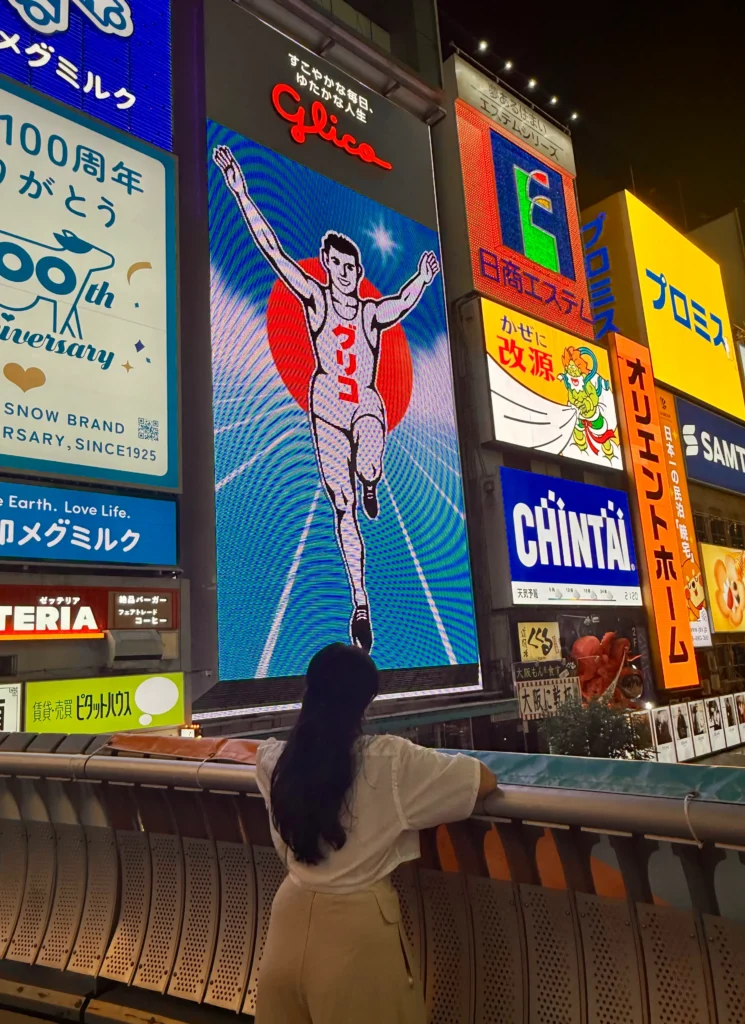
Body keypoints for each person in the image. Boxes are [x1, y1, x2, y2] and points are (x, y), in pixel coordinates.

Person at [214, 145, 441, 653]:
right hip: (326, 411)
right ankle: (360, 601)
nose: (339, 270)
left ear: (356, 272)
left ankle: (372, 477)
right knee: (342, 508)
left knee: (369, 445)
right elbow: (274, 252)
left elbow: (402, 303)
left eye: (346, 264)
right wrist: (241, 190)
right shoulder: (314, 299)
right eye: (333, 263)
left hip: (363, 404)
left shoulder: (369, 312)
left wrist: (423, 279)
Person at [253, 643, 497, 1023]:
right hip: (357, 934)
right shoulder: (391, 761)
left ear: (310, 689)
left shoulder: (272, 760)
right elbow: (480, 780)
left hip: (287, 921)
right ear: (365, 701)